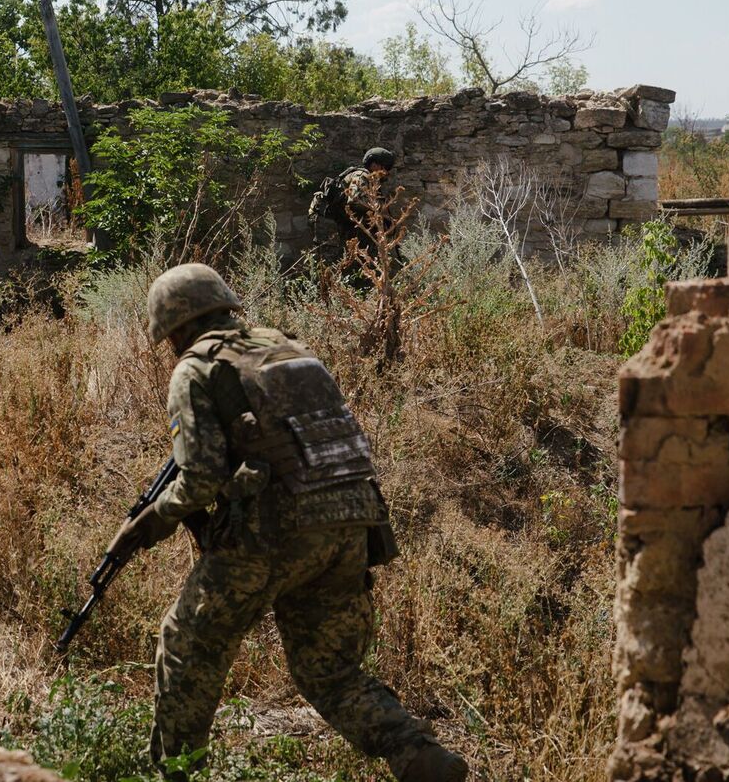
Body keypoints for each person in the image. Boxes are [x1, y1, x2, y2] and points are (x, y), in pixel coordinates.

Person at [106, 264, 468, 782]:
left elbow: (201, 478)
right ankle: (420, 756)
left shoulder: (195, 369)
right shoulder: (292, 349)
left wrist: (151, 521)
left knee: (188, 646)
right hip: (353, 526)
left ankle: (177, 774)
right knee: (330, 672)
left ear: (175, 327)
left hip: (275, 532)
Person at [308, 147, 397, 261]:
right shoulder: (361, 175)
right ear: (374, 165)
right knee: (330, 262)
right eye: (386, 167)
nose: (387, 172)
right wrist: (380, 213)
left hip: (339, 223)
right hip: (329, 222)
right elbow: (355, 200)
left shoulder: (370, 181)